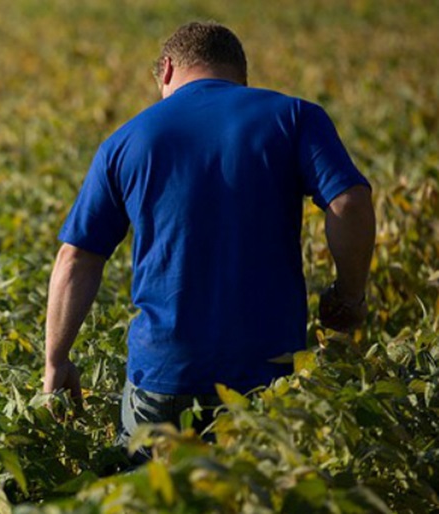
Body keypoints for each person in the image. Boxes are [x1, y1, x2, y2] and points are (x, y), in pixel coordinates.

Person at [42, 22, 375, 464]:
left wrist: (56, 360)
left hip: (163, 377)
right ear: (240, 76)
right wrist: (348, 295)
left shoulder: (126, 139)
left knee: (154, 499)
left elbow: (76, 258)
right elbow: (350, 202)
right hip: (269, 374)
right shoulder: (293, 117)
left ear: (165, 70)